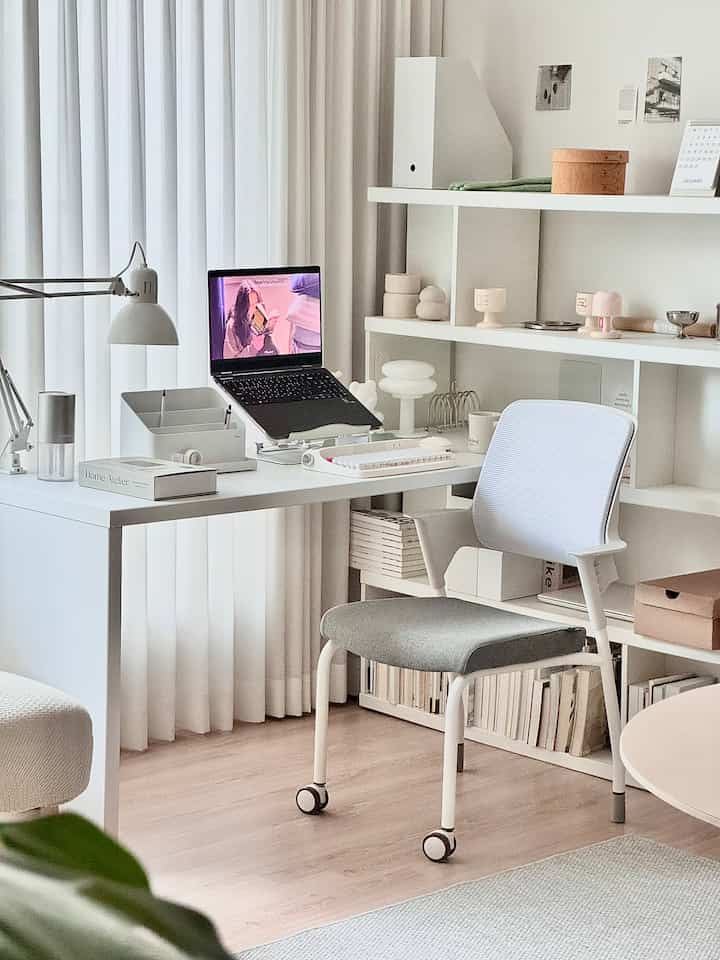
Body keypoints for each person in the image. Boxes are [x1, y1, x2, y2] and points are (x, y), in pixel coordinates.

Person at [223, 279, 279, 359]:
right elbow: (229, 360)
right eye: (250, 305)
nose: (253, 309)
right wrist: (253, 348)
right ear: (243, 306)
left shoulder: (259, 315)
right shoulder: (232, 325)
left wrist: (269, 329)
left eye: (256, 304)